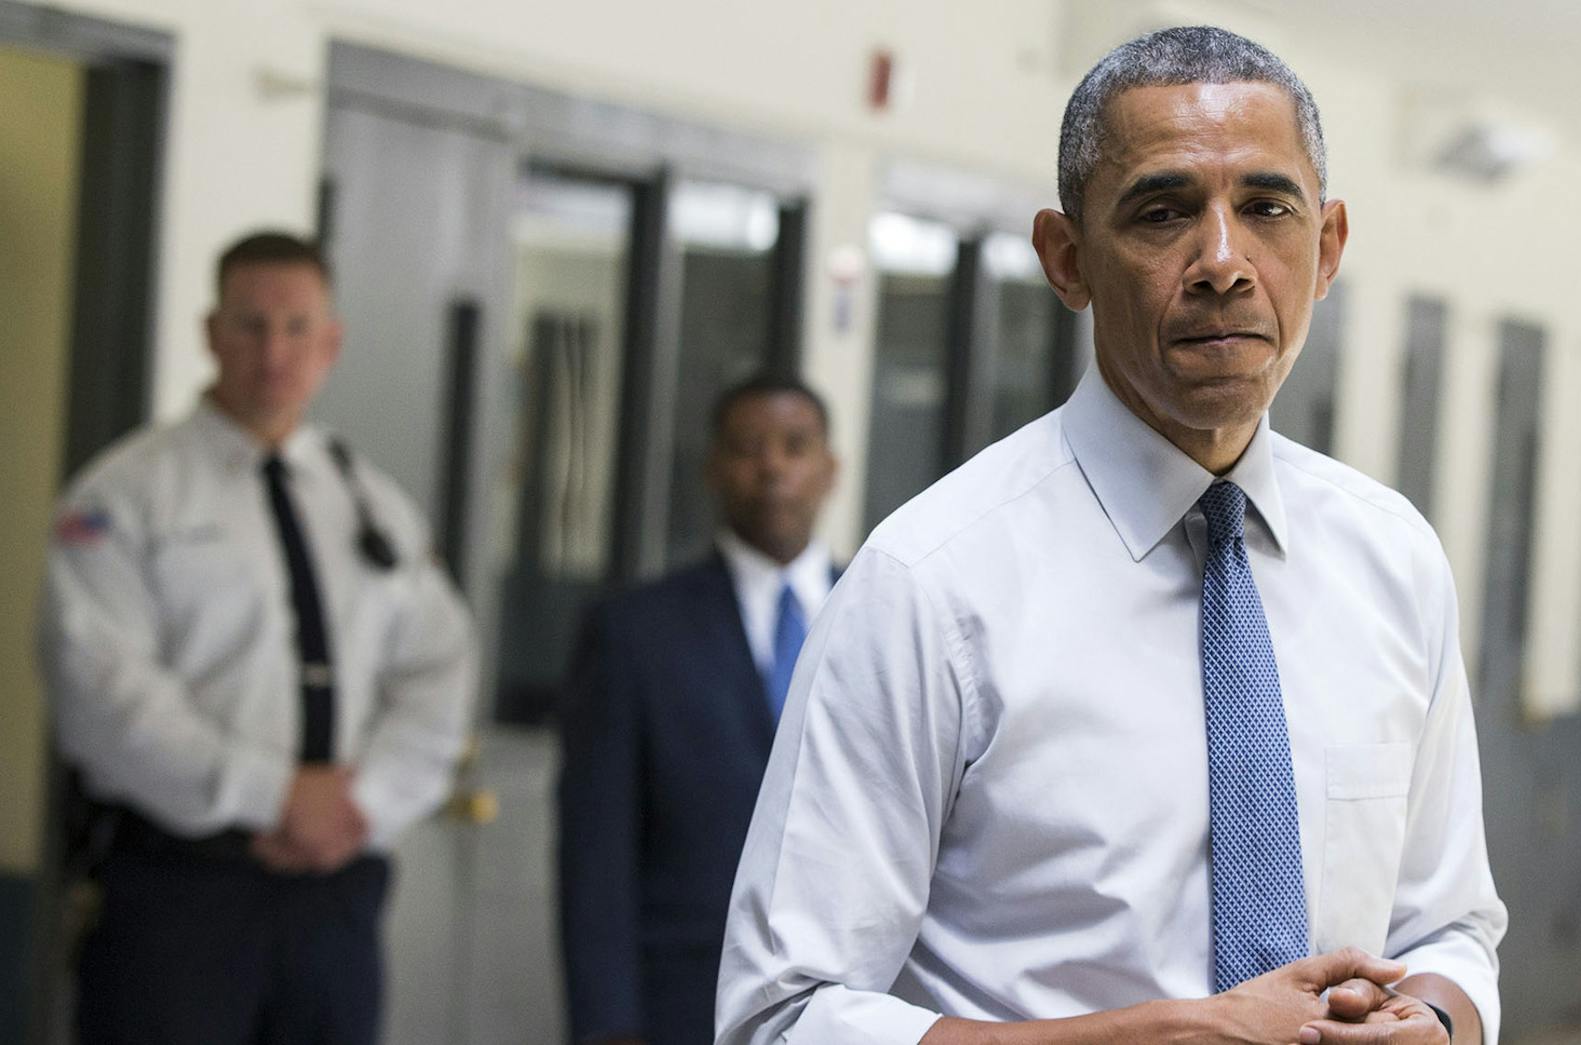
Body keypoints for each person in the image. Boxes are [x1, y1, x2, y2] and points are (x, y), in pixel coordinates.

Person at [714, 25, 1504, 1045]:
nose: (1223, 261)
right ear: (1066, 258)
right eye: (1164, 213)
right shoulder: (932, 584)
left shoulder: (1392, 560)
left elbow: (1450, 922)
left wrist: (1436, 1023)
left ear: (1329, 247)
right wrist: (1164, 1036)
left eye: (1267, 208)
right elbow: (780, 1016)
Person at [39, 231, 477, 1044]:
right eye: (250, 325)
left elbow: (440, 667)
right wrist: (273, 792)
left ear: (331, 342)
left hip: (337, 892)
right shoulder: (127, 493)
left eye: (297, 326)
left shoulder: (372, 501)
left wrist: (362, 801)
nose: (274, 352)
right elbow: (100, 689)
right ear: (211, 333)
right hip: (179, 891)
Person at [557, 374, 841, 1045]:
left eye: (795, 446)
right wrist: (607, 1022)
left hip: (853, 1001)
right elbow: (597, 852)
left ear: (829, 469)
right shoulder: (632, 631)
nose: (773, 465)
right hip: (681, 1000)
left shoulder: (881, 614)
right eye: (749, 446)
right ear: (714, 468)